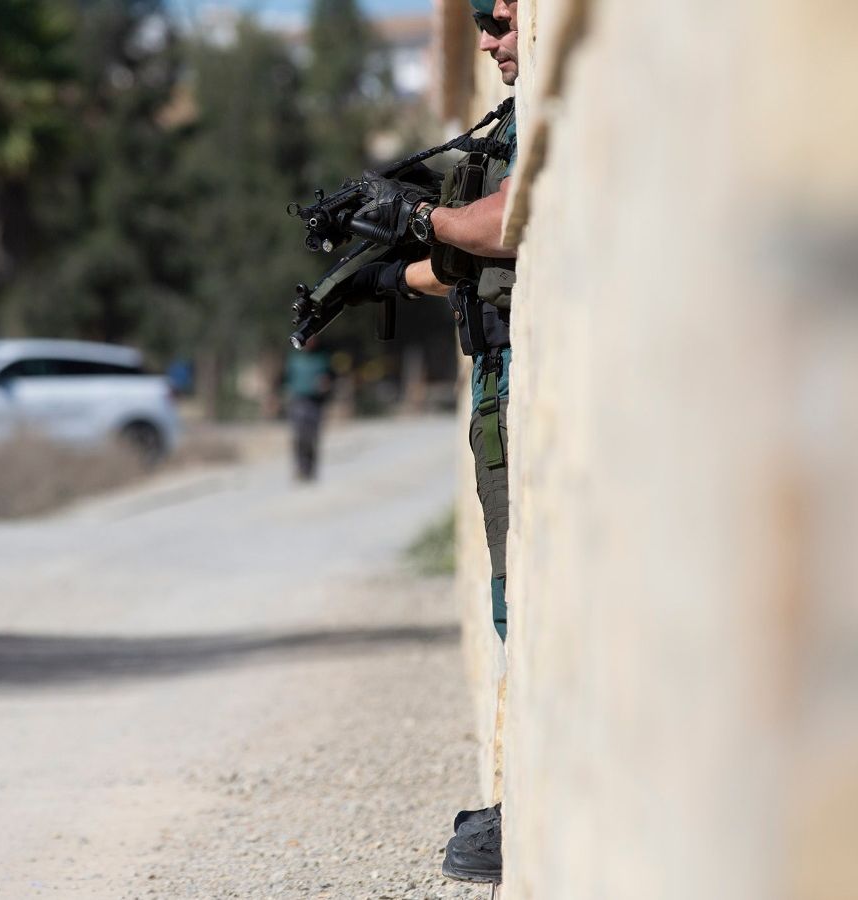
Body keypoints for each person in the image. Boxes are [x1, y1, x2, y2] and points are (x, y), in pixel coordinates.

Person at [329, 0, 521, 883]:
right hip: (495, 385)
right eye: (480, 21)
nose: (488, 39)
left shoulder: (552, 117)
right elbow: (469, 256)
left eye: (501, 19)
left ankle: (523, 804)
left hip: (513, 384)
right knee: (512, 591)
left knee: (520, 595)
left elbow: (504, 223)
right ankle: (519, 790)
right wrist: (386, 279)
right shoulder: (514, 117)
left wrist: (418, 220)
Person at [281, 336, 336, 481]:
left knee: (312, 437)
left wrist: (326, 383)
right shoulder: (293, 359)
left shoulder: (322, 358)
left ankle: (310, 470)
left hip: (315, 402)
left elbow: (331, 377)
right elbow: (284, 379)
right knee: (299, 437)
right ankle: (300, 468)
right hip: (297, 401)